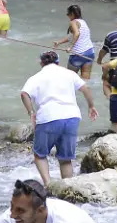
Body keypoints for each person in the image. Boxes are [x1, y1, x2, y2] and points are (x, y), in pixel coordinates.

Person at [22, 50, 95, 183]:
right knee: (65, 159)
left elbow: (24, 94)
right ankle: (67, 186)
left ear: (41, 63)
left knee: (40, 154)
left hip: (48, 117)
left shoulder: (36, 77)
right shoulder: (69, 73)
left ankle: (48, 184)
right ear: (58, 62)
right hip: (71, 117)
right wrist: (91, 106)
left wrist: (31, 112)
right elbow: (86, 89)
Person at [56, 5, 96, 76]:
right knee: (85, 80)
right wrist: (59, 42)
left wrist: (70, 47)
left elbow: (77, 34)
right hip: (90, 53)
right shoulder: (83, 22)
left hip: (78, 54)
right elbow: (72, 36)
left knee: (70, 79)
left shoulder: (73, 22)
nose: (67, 16)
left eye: (68, 14)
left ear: (72, 14)